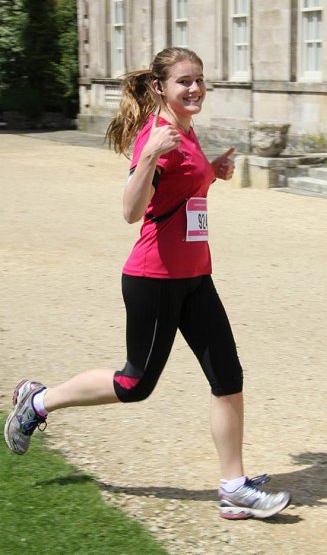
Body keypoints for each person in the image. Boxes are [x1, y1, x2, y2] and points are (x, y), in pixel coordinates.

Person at [3, 47, 290, 520]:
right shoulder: (156, 136)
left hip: (195, 274)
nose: (195, 88)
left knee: (228, 378)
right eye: (184, 81)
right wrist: (148, 158)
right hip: (155, 278)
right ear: (160, 88)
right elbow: (132, 211)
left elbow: (176, 194)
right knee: (135, 383)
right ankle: (39, 402)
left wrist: (210, 173)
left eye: (199, 79)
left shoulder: (184, 129)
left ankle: (234, 488)